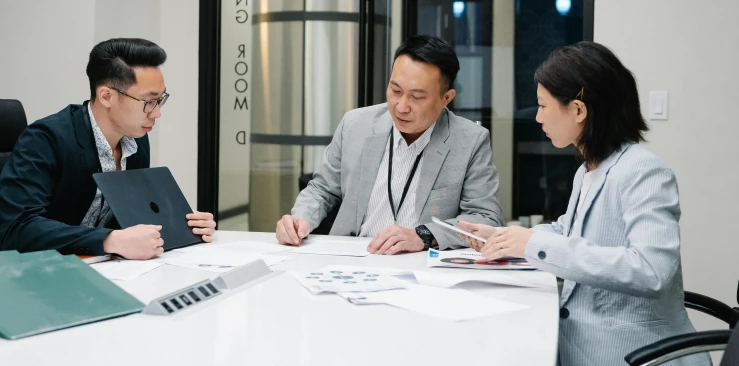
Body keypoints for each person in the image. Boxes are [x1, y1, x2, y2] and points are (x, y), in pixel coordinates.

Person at [458, 42, 710, 366]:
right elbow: (569, 229)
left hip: (636, 354)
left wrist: (535, 244)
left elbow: (651, 270)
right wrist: (506, 237)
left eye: (543, 106)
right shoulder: (587, 170)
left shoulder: (643, 170)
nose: (537, 117)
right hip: (583, 343)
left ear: (578, 110)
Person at [276, 35, 503, 253]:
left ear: (447, 98)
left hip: (420, 263)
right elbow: (322, 189)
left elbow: (485, 218)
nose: (401, 106)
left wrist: (424, 235)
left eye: (417, 97)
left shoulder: (470, 140)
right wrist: (300, 219)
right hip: (354, 256)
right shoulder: (355, 125)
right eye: (395, 91)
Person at [0, 38, 215, 260]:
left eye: (160, 100)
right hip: (33, 272)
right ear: (106, 96)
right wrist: (110, 240)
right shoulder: (45, 140)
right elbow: (18, 228)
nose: (156, 113)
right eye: (148, 101)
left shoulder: (136, 140)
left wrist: (183, 224)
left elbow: (129, 217)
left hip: (98, 268)